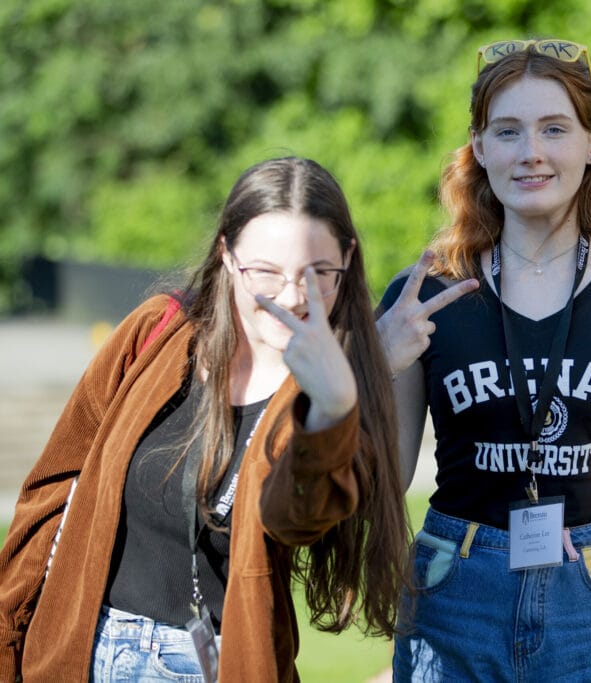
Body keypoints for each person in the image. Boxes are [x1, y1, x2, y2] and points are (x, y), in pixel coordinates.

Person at [375, 38, 591, 681]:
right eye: (507, 131)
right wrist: (368, 369)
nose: (531, 152)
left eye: (554, 128)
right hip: (456, 582)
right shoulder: (424, 294)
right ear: (480, 150)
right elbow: (385, 478)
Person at [0, 157, 409, 681]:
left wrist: (331, 408)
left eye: (317, 274)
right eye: (265, 272)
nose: (291, 297)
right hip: (85, 652)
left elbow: (298, 520)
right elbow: (51, 490)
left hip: (212, 664)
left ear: (347, 261)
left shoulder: (332, 390)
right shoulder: (158, 333)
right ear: (227, 254)